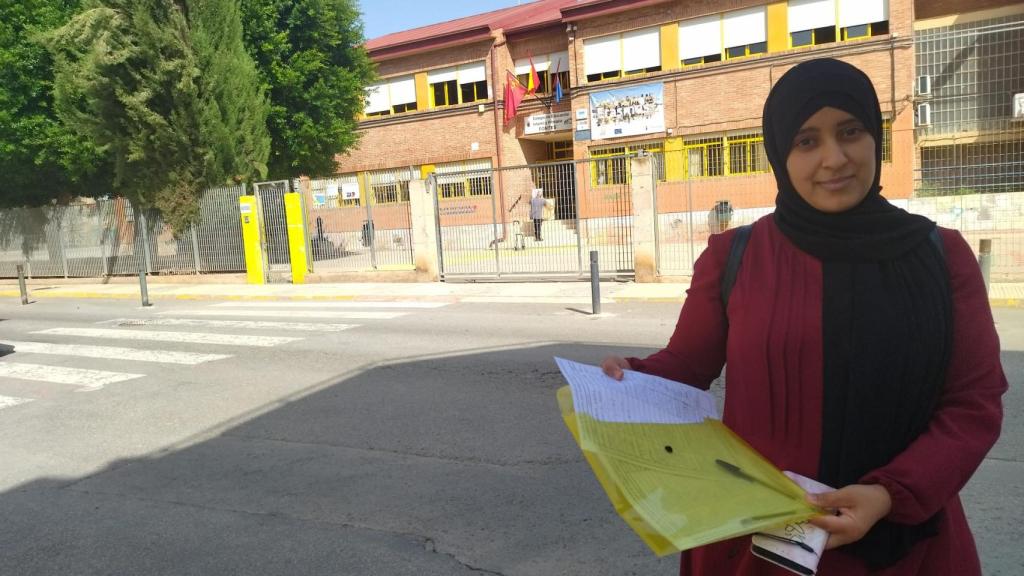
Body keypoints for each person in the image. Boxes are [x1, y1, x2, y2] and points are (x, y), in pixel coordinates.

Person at [601, 58, 1006, 575]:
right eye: (806, 141)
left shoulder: (942, 256)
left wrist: (889, 495)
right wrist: (632, 376)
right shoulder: (735, 257)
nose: (833, 158)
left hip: (907, 543)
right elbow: (686, 364)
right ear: (780, 154)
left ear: (874, 139)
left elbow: (973, 403)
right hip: (757, 539)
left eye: (850, 131)